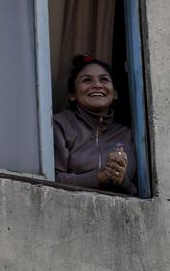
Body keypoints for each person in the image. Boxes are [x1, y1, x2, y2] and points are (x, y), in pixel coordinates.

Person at [53, 54, 137, 194]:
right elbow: (52, 179)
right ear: (72, 94)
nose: (97, 85)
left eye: (104, 79)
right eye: (87, 80)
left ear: (115, 93)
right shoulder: (61, 124)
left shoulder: (126, 134)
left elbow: (136, 190)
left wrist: (121, 180)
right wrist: (100, 176)